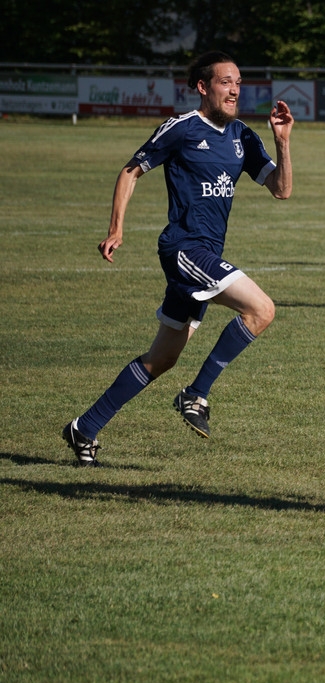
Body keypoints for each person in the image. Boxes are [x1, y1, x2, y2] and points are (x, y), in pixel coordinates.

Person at [61, 51, 294, 466]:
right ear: (203, 87)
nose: (235, 89)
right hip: (184, 249)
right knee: (262, 309)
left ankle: (85, 427)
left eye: (238, 81)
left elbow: (281, 188)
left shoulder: (243, 135)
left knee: (161, 359)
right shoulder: (182, 129)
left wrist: (282, 140)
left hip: (205, 257)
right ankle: (196, 393)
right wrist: (116, 228)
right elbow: (131, 171)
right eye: (225, 81)